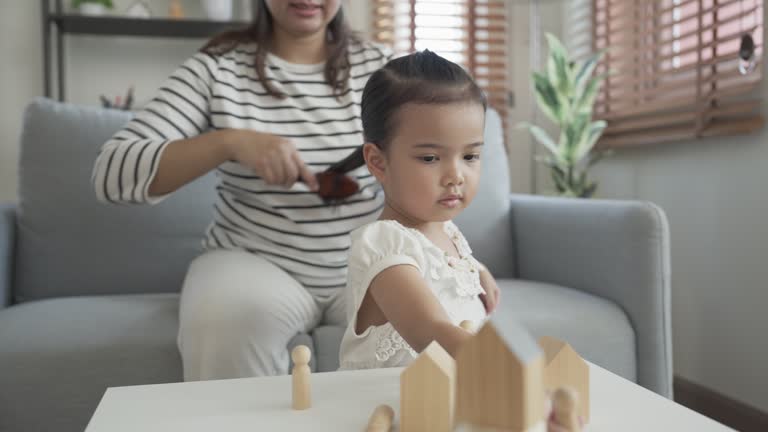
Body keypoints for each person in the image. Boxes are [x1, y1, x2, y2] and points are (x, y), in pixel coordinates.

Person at [91, 0, 391, 381]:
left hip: (368, 261)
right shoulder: (218, 67)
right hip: (253, 259)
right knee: (224, 323)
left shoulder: (380, 68)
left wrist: (450, 256)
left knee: (441, 312)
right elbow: (111, 172)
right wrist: (228, 142)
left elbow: (434, 161)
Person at [337, 50, 502, 370]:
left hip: (443, 398)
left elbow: (437, 264)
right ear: (378, 162)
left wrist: (475, 268)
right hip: (381, 405)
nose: (456, 175)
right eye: (430, 158)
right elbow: (431, 330)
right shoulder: (381, 245)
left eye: (470, 156)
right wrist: (506, 365)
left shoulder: (445, 228)